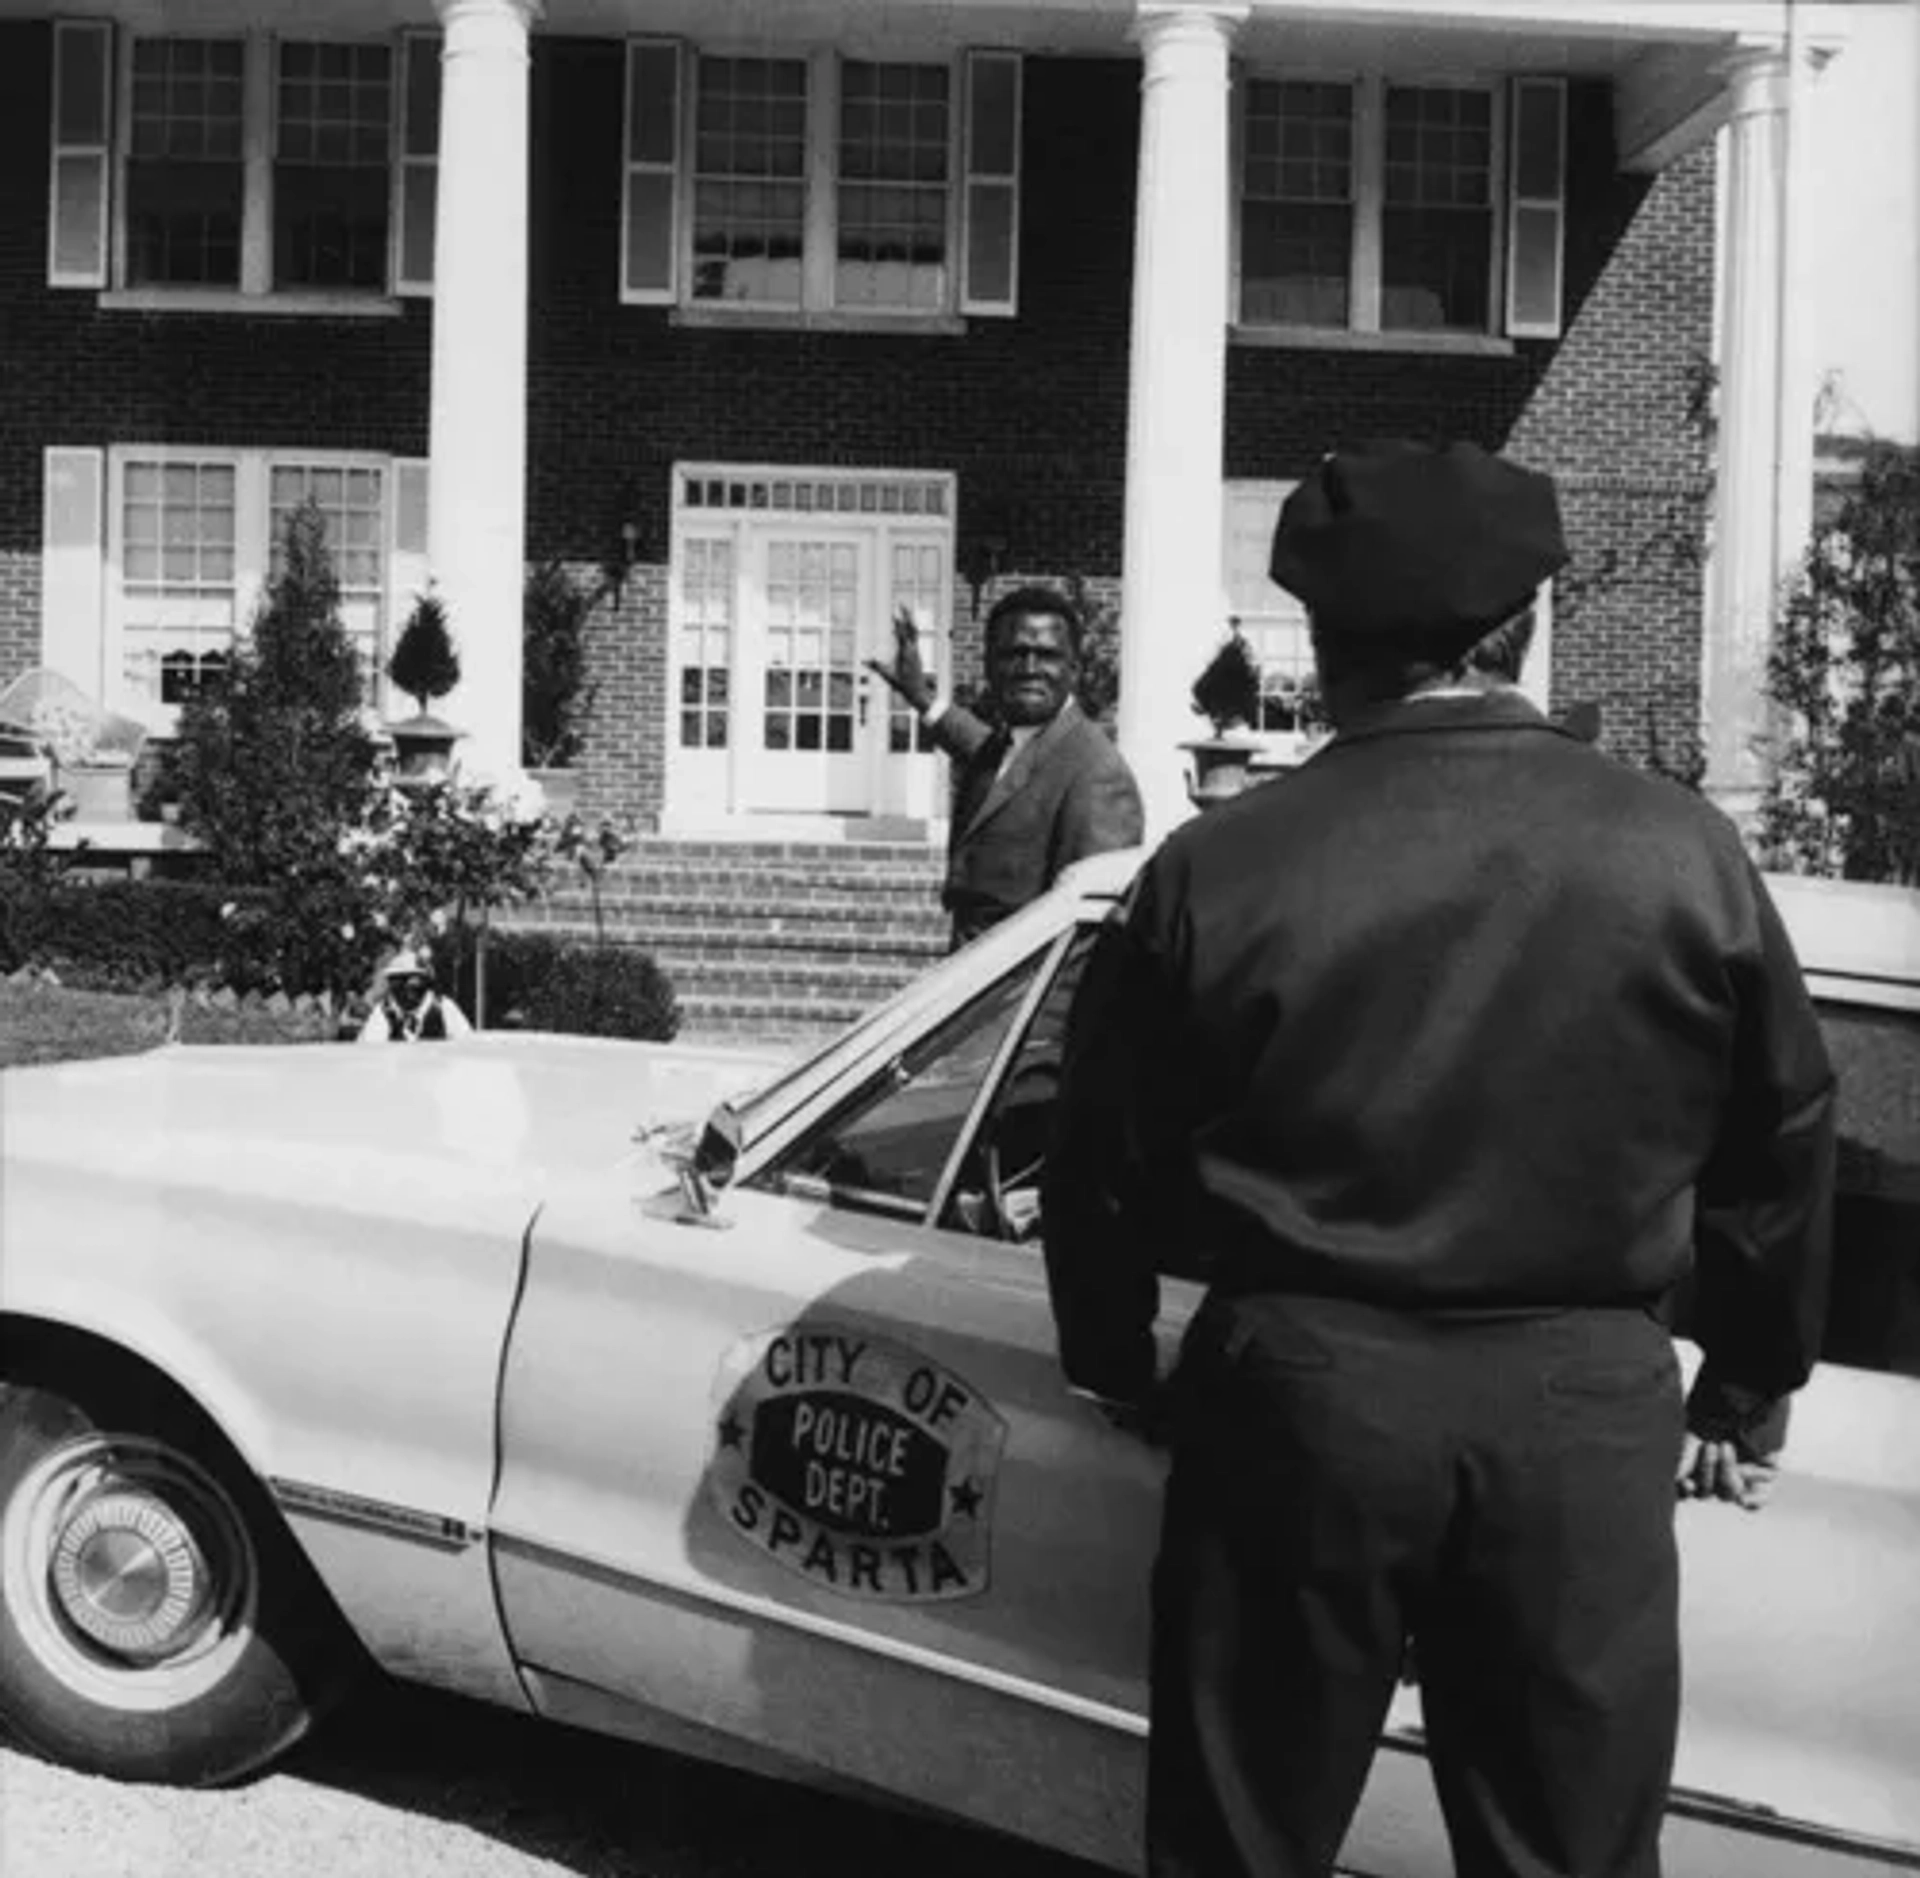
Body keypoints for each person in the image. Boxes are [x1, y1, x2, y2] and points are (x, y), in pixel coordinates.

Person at [1041, 439, 1837, 1878]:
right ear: (1518, 629)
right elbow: (1783, 1129)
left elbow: (1098, 1154)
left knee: (1243, 1844)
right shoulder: (1683, 849)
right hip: (1580, 1415)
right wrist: (1748, 1372)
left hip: (1306, 1399)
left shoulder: (1222, 865)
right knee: (1569, 1856)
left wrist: (1115, 1349)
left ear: (1322, 638)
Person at [866, 587, 1143, 948]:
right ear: (988, 666)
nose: (1029, 669)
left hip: (1021, 998)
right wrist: (920, 695)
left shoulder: (1096, 775)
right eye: (1013, 654)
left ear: (1073, 669)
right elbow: (973, 742)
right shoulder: (1007, 745)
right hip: (970, 982)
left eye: (1046, 656)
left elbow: (1091, 938)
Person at [357, 944, 473, 1043]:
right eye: (397, 981)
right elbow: (370, 1053)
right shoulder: (384, 1011)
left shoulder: (443, 1008)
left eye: (412, 980)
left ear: (425, 981)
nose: (406, 987)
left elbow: (467, 1047)